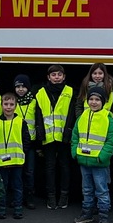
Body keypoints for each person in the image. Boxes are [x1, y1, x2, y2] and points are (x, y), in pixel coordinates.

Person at [71, 86, 113, 223]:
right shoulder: (82, 117)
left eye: (97, 99)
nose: (94, 102)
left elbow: (112, 141)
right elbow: (75, 136)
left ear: (103, 102)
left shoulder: (108, 119)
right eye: (91, 99)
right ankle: (87, 213)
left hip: (99, 163)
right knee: (86, 189)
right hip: (84, 161)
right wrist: (75, 152)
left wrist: (102, 157)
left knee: (102, 190)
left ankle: (103, 217)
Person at [34, 64, 76, 209]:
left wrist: (69, 131)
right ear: (48, 77)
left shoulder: (70, 91)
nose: (56, 77)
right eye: (53, 75)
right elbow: (38, 114)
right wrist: (40, 132)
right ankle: (51, 197)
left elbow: (72, 114)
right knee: (49, 168)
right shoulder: (40, 93)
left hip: (65, 136)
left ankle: (64, 196)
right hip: (48, 137)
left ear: (64, 77)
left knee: (65, 167)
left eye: (59, 74)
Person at [0, 92, 31, 219]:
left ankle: (18, 209)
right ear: (1, 105)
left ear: (16, 106)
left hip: (17, 161)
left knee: (17, 186)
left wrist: (23, 151)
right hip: (0, 161)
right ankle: (1, 209)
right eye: (6, 104)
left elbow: (26, 139)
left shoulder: (21, 122)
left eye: (11, 104)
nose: (8, 107)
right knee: (1, 186)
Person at [12, 74, 38, 210]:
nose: (20, 89)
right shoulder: (12, 102)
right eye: (18, 87)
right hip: (15, 143)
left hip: (31, 143)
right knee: (17, 172)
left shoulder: (34, 102)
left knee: (29, 172)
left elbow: (38, 121)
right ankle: (17, 198)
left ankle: (29, 197)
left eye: (23, 86)